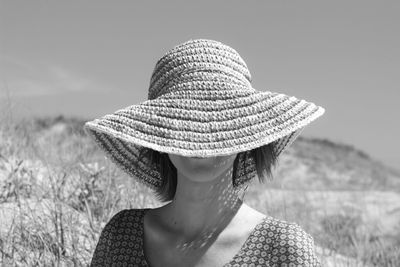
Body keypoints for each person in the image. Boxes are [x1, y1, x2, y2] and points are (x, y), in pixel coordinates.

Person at [84, 39, 325, 267]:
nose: (202, 140)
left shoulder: (284, 250)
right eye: (185, 121)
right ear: (157, 135)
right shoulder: (121, 235)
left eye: (220, 123)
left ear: (246, 136)